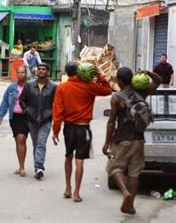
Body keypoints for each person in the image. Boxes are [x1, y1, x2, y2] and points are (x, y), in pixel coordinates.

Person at [103, 67, 161, 214]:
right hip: (139, 139)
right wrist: (148, 72)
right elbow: (158, 81)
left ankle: (124, 192)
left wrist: (106, 142)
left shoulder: (117, 97)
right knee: (134, 174)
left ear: (120, 81)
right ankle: (130, 206)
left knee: (114, 167)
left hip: (122, 139)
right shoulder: (141, 92)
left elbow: (111, 122)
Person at [52, 61, 112, 202]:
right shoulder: (89, 86)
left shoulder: (62, 87)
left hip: (68, 128)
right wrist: (98, 75)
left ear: (66, 73)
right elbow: (107, 90)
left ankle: (68, 188)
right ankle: (77, 193)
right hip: (83, 128)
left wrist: (56, 131)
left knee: (68, 156)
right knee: (79, 161)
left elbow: (58, 112)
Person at [19, 63, 56, 179]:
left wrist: (52, 114)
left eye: (43, 69)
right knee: (36, 144)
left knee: (41, 143)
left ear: (47, 72)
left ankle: (39, 167)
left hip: (46, 120)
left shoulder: (53, 87)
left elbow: (58, 103)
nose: (41, 71)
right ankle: (37, 167)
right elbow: (22, 100)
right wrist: (27, 110)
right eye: (39, 69)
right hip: (32, 120)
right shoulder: (29, 85)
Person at [0, 66, 28, 176]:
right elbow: (5, 101)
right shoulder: (11, 88)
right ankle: (21, 166)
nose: (20, 74)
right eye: (18, 72)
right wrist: (0, 115)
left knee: (22, 139)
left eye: (22, 72)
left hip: (28, 117)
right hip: (15, 117)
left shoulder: (31, 87)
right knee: (19, 140)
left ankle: (29, 166)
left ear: (26, 74)